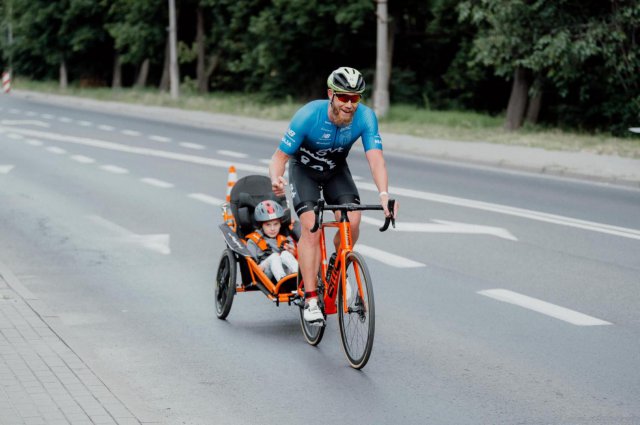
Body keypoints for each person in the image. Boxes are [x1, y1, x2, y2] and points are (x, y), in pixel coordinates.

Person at [269, 66, 398, 325]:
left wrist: (384, 194)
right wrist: (276, 177)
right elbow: (280, 157)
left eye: (356, 98)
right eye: (344, 97)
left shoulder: (366, 118)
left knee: (353, 220)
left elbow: (376, 161)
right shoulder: (308, 116)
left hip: (335, 171)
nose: (350, 104)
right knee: (312, 228)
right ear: (331, 94)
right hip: (304, 171)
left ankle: (338, 266)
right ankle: (311, 299)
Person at [245, 200, 298, 282]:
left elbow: (295, 256)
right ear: (261, 225)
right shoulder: (253, 241)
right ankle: (282, 281)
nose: (272, 229)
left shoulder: (285, 239)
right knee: (274, 256)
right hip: (263, 272)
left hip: (286, 271)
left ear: (280, 224)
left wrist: (293, 252)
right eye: (268, 225)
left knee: (285, 254)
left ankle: (299, 277)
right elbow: (252, 265)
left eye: (276, 224)